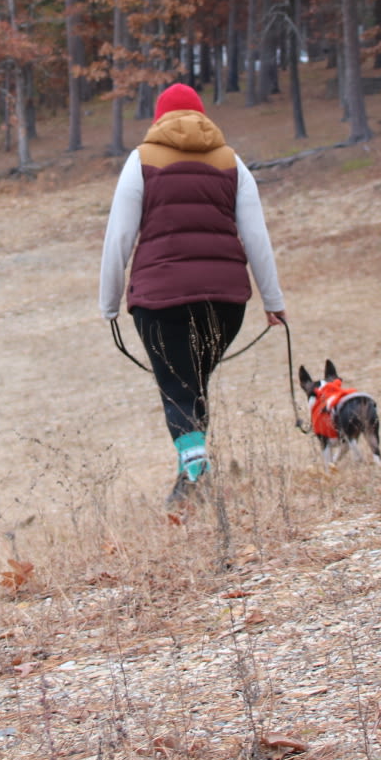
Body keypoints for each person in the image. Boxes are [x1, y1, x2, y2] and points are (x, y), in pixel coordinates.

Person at [99, 82, 287, 506]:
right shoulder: (231, 162)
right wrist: (273, 302)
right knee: (194, 385)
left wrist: (108, 303)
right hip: (225, 304)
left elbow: (119, 237)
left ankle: (195, 479)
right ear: (204, 117)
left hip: (160, 302)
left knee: (179, 390)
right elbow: (257, 237)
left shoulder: (141, 160)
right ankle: (193, 476)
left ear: (159, 120)